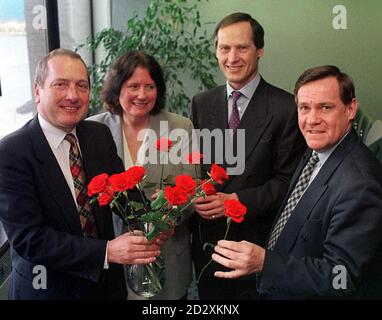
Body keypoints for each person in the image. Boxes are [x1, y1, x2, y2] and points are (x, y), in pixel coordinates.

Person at [0, 49, 160, 300]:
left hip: (106, 288)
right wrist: (106, 252)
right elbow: (30, 239)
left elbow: (124, 195)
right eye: (60, 84)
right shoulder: (11, 152)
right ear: (38, 90)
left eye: (81, 86)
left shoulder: (98, 135)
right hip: (49, 290)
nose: (73, 95)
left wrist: (155, 218)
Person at [211, 65, 382, 299]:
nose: (312, 120)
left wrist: (265, 263)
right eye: (304, 108)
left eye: (325, 107)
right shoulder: (315, 151)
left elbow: (340, 277)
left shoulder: (360, 184)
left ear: (351, 109)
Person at [191, 12, 306, 299]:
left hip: (255, 245)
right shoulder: (201, 103)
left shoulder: (285, 108)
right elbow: (198, 167)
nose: (232, 57)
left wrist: (235, 201)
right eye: (224, 48)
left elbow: (288, 182)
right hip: (207, 246)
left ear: (259, 50)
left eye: (242, 47)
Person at [88, 50, 197, 300]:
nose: (142, 94)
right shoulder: (93, 129)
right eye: (133, 86)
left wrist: (172, 212)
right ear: (117, 88)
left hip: (167, 256)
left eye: (150, 86)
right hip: (113, 261)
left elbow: (191, 190)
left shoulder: (180, 127)